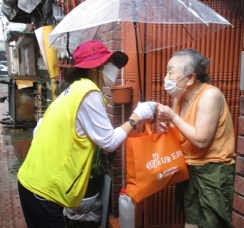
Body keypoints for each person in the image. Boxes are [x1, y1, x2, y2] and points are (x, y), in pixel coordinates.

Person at [17, 40, 157, 228]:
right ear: (96, 67)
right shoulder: (89, 93)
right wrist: (137, 116)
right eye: (110, 63)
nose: (114, 69)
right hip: (44, 191)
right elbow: (109, 142)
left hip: (33, 182)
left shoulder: (73, 89)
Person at [156, 48, 236, 228]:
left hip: (213, 169)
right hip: (188, 166)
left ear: (190, 78)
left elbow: (201, 140)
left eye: (171, 72)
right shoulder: (179, 97)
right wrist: (166, 127)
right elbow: (183, 131)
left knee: (213, 223)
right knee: (191, 221)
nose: (166, 77)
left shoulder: (210, 95)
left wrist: (173, 117)